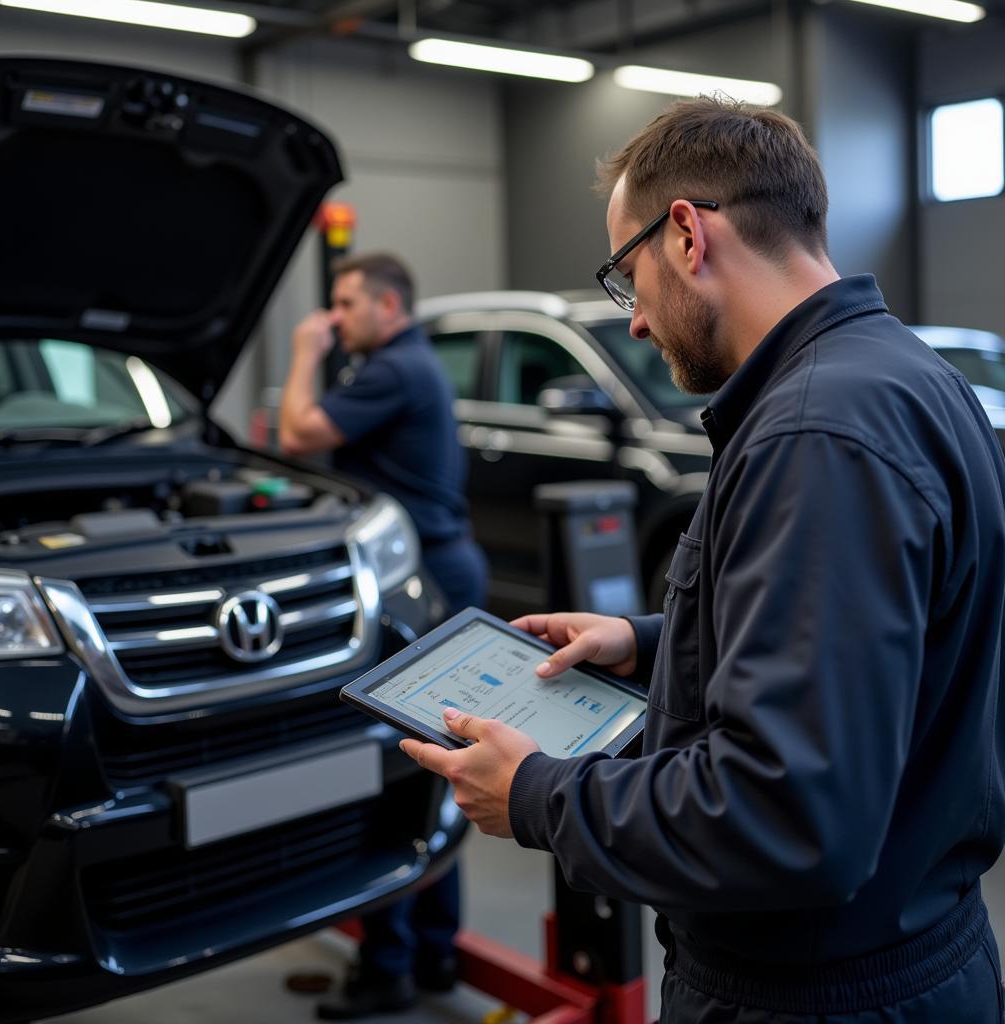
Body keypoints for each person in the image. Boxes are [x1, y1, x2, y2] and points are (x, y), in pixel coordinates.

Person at [398, 98, 1005, 1023]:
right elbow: (882, 638)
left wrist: (536, 795)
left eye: (625, 275)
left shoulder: (815, 432)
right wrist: (648, 639)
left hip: (812, 998)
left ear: (686, 233)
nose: (635, 320)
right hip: (907, 949)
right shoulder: (909, 377)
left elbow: (788, 818)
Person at [279, 252, 487, 1019]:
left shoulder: (391, 367)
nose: (334, 319)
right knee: (437, 770)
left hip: (418, 583)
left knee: (398, 765)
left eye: (344, 305)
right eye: (330, 308)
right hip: (436, 572)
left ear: (389, 306)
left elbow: (300, 432)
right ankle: (434, 952)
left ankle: (388, 965)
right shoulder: (404, 361)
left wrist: (304, 349)